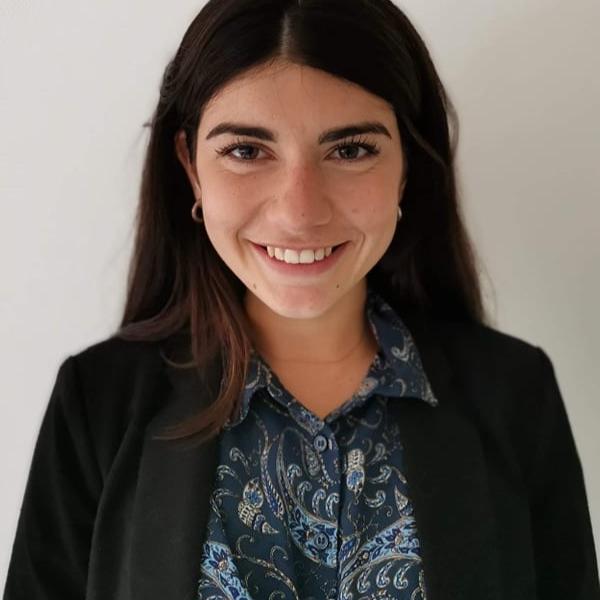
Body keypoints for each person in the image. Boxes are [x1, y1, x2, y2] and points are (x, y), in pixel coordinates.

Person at [4, 0, 599, 598]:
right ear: (190, 167)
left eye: (350, 150)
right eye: (245, 151)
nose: (299, 212)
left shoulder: (514, 393)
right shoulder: (97, 403)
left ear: (408, 166)